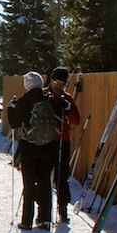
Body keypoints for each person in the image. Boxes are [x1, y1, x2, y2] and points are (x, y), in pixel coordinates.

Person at [7, 71, 56, 230]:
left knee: (29, 183)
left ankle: (27, 220)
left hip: (29, 147)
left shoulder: (24, 101)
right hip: (49, 145)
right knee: (45, 182)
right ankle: (45, 218)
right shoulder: (49, 98)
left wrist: (11, 109)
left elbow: (15, 124)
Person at [47, 67, 80, 223]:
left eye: (62, 84)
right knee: (44, 177)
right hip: (45, 141)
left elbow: (76, 121)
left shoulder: (66, 98)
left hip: (62, 141)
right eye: (56, 83)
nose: (58, 87)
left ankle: (62, 210)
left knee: (61, 178)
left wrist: (69, 108)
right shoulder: (44, 95)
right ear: (51, 80)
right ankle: (44, 212)